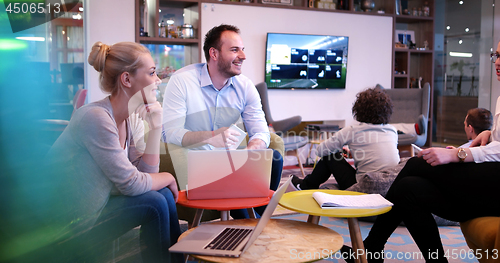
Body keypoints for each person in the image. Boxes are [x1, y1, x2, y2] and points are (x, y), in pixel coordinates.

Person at [343, 40, 500, 263]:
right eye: (496, 55)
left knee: (417, 164)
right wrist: (489, 135)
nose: (498, 62)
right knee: (408, 188)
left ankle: (372, 247)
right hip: (489, 177)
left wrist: (457, 155)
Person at [46, 41, 182, 262]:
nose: (158, 80)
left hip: (96, 209)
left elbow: (142, 173)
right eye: (152, 73)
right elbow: (132, 184)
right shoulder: (96, 118)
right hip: (66, 226)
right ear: (127, 79)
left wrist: (156, 128)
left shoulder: (128, 119)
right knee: (155, 202)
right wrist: (167, 176)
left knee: (163, 195)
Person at [161, 24, 283, 218]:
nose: (242, 56)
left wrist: (251, 152)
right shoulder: (182, 81)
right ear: (214, 53)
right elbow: (170, 132)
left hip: (230, 162)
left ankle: (255, 220)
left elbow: (260, 131)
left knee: (274, 158)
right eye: (234, 50)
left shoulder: (245, 86)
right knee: (240, 195)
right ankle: (255, 227)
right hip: (195, 163)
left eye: (242, 50)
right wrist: (210, 137)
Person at [290, 87, 400, 191]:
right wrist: (353, 152)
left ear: (359, 110)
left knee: (331, 155)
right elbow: (377, 153)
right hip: (390, 186)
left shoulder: (352, 130)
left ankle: (306, 185)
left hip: (365, 187)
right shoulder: (392, 130)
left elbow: (320, 150)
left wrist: (338, 151)